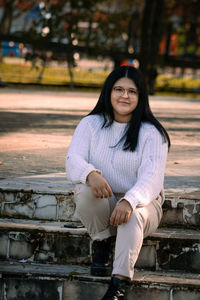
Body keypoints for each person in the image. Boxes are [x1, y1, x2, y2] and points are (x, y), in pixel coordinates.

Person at [66, 66, 170, 300]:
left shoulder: (152, 133)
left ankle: (118, 285)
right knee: (85, 189)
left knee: (132, 214)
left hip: (144, 204)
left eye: (132, 91)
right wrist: (90, 173)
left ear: (141, 97)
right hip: (106, 202)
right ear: (108, 92)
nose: (125, 96)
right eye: (119, 89)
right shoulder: (90, 125)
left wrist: (129, 201)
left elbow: (152, 178)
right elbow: (73, 159)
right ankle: (102, 239)